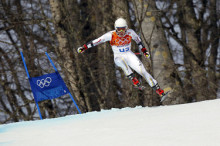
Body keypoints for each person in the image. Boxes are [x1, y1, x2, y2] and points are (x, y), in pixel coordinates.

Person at [77, 18, 165, 98]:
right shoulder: (110, 35)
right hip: (118, 56)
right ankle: (133, 78)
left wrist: (144, 50)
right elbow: (97, 41)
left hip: (129, 55)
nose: (122, 31)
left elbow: (138, 41)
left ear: (126, 27)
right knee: (121, 62)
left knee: (143, 71)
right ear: (116, 28)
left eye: (123, 28)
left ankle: (159, 90)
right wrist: (84, 47)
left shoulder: (130, 32)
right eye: (119, 29)